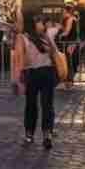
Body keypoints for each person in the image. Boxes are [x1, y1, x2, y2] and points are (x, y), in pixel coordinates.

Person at [18, 14, 58, 148]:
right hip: (32, 73)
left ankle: (47, 134)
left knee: (47, 105)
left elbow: (54, 53)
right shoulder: (24, 38)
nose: (43, 24)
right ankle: (29, 134)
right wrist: (19, 76)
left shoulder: (47, 36)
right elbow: (21, 57)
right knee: (31, 105)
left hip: (47, 72)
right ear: (34, 24)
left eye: (43, 22)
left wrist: (47, 37)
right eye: (40, 22)